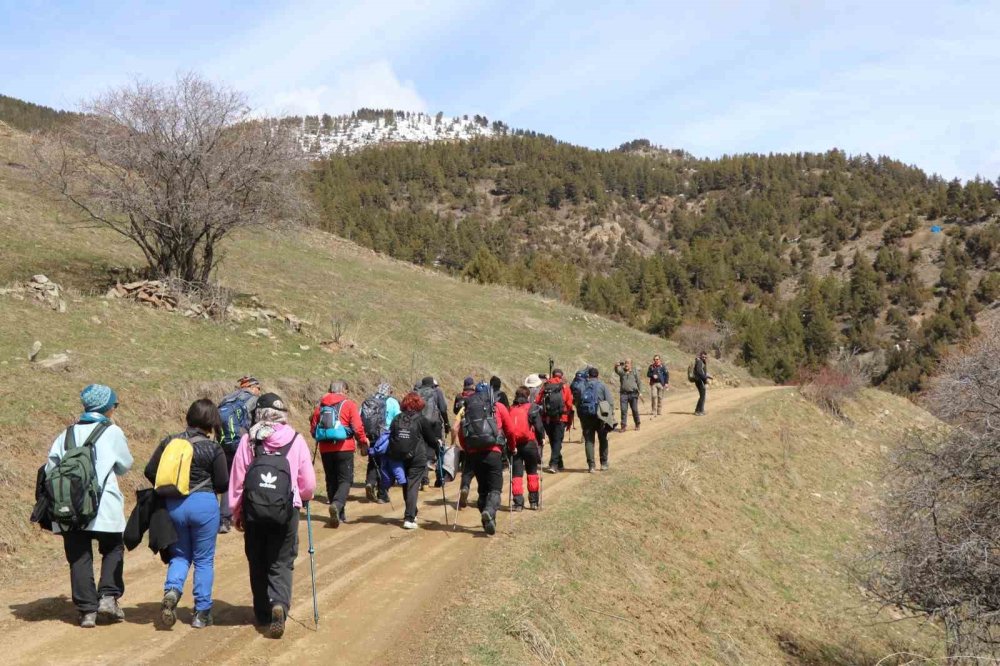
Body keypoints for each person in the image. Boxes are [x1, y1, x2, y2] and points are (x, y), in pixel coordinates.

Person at [45, 384, 133, 628]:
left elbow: (51, 469)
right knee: (113, 548)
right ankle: (107, 597)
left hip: (70, 508)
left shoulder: (67, 434)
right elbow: (125, 465)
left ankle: (86, 612)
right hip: (104, 506)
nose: (115, 409)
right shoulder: (112, 432)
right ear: (106, 407)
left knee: (79, 556)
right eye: (114, 405)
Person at [228, 392, 316, 638]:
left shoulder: (248, 440)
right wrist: (303, 497)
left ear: (258, 413)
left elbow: (237, 481)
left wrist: (236, 512)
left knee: (257, 561)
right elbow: (308, 483)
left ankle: (263, 613)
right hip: (286, 511)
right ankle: (279, 603)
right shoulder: (296, 439)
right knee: (281, 560)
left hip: (254, 512)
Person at [145, 399, 229, 629]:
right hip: (203, 505)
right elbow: (222, 483)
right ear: (212, 421)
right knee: (203, 560)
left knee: (180, 556)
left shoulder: (170, 441)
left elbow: (150, 471)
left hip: (174, 505)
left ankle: (172, 592)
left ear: (188, 417)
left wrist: (169, 489)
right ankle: (202, 613)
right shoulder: (213, 448)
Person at [458, 382, 515, 534]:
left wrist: (468, 449)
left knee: (483, 490)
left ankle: (488, 519)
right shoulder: (498, 407)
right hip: (494, 452)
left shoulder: (468, 409)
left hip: (474, 453)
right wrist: (512, 447)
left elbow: (461, 432)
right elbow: (510, 430)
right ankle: (489, 511)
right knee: (495, 489)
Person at [310, 380, 369, 528]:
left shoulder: (320, 407)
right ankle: (337, 505)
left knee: (331, 479)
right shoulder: (348, 404)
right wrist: (362, 440)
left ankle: (339, 514)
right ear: (343, 390)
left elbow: (313, 430)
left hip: (325, 448)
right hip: (344, 447)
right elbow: (357, 427)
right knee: (346, 480)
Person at [388, 391, 440, 529]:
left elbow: (391, 436)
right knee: (413, 486)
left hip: (400, 456)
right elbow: (431, 440)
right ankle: (409, 518)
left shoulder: (397, 418)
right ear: (419, 405)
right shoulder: (421, 419)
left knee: (406, 485)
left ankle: (413, 512)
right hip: (417, 457)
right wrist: (438, 445)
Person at [216, 376, 262, 534]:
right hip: (242, 444)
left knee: (229, 480)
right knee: (249, 477)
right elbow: (257, 423)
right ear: (252, 387)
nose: (259, 391)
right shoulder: (253, 399)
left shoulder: (226, 399)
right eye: (259, 387)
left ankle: (223, 520)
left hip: (223, 444)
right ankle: (248, 514)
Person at [362, 383, 401, 504]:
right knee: (385, 464)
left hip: (371, 436)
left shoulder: (369, 401)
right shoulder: (393, 402)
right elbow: (398, 419)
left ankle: (370, 482)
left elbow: (361, 418)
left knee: (372, 461)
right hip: (386, 437)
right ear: (390, 392)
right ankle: (382, 494)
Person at [508, 386, 543, 510]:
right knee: (532, 472)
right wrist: (541, 439)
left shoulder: (511, 409)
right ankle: (533, 502)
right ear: (528, 396)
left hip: (515, 445)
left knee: (516, 474)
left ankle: (518, 503)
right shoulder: (532, 408)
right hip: (529, 444)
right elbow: (538, 426)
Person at [534, 369, 574, 474]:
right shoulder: (565, 387)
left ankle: (559, 463)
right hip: (561, 418)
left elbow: (538, 400)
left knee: (553, 440)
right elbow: (569, 403)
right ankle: (554, 464)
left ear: (552, 375)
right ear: (562, 376)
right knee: (557, 442)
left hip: (546, 418)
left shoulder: (546, 385)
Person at [578, 368, 615, 472]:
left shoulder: (582, 386)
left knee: (589, 441)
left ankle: (591, 466)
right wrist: (611, 415)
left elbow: (577, 402)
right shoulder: (602, 385)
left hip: (586, 417)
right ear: (597, 375)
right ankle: (603, 463)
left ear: (588, 375)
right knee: (603, 439)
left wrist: (581, 416)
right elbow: (610, 401)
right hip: (601, 416)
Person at [415, 376, 450, 488]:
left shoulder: (417, 393)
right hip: (435, 425)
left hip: (420, 425)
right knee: (439, 449)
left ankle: (424, 480)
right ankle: (440, 477)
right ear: (432, 384)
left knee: (423, 451)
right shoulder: (437, 392)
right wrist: (446, 423)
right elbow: (443, 408)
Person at [452, 376, 476, 508]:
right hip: (477, 436)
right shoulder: (476, 397)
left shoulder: (459, 396)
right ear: (472, 385)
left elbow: (455, 412)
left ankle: (465, 487)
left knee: (467, 468)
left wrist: (453, 442)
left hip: (463, 433)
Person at [614, 359, 642, 432]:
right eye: (626, 363)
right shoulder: (622, 372)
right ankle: (623, 426)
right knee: (623, 410)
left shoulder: (635, 371)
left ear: (631, 364)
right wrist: (616, 365)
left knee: (635, 410)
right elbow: (617, 370)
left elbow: (639, 382)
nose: (626, 364)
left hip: (633, 394)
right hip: (624, 394)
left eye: (628, 363)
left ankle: (637, 423)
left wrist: (640, 392)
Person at [694, 351, 713, 416]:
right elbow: (699, 372)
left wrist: (708, 376)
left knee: (702, 396)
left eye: (705, 356)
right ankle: (700, 411)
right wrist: (705, 379)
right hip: (699, 381)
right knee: (702, 396)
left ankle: (698, 410)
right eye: (703, 356)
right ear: (700, 356)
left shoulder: (702, 362)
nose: (704, 357)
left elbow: (703, 372)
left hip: (700, 380)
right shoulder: (699, 362)